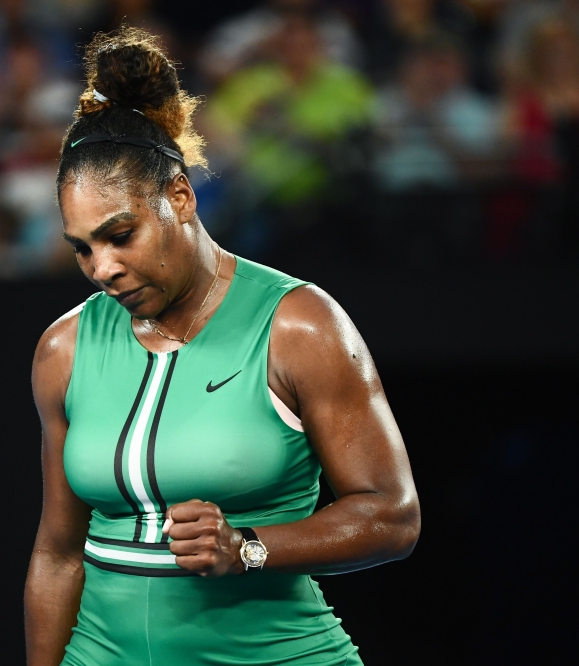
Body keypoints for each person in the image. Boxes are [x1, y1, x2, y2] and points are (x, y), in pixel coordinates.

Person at [25, 27, 420, 665]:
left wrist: (249, 547)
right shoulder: (64, 348)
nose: (102, 268)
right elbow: (57, 552)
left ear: (180, 197)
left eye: (119, 235)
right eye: (82, 247)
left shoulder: (300, 325)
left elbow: (393, 516)